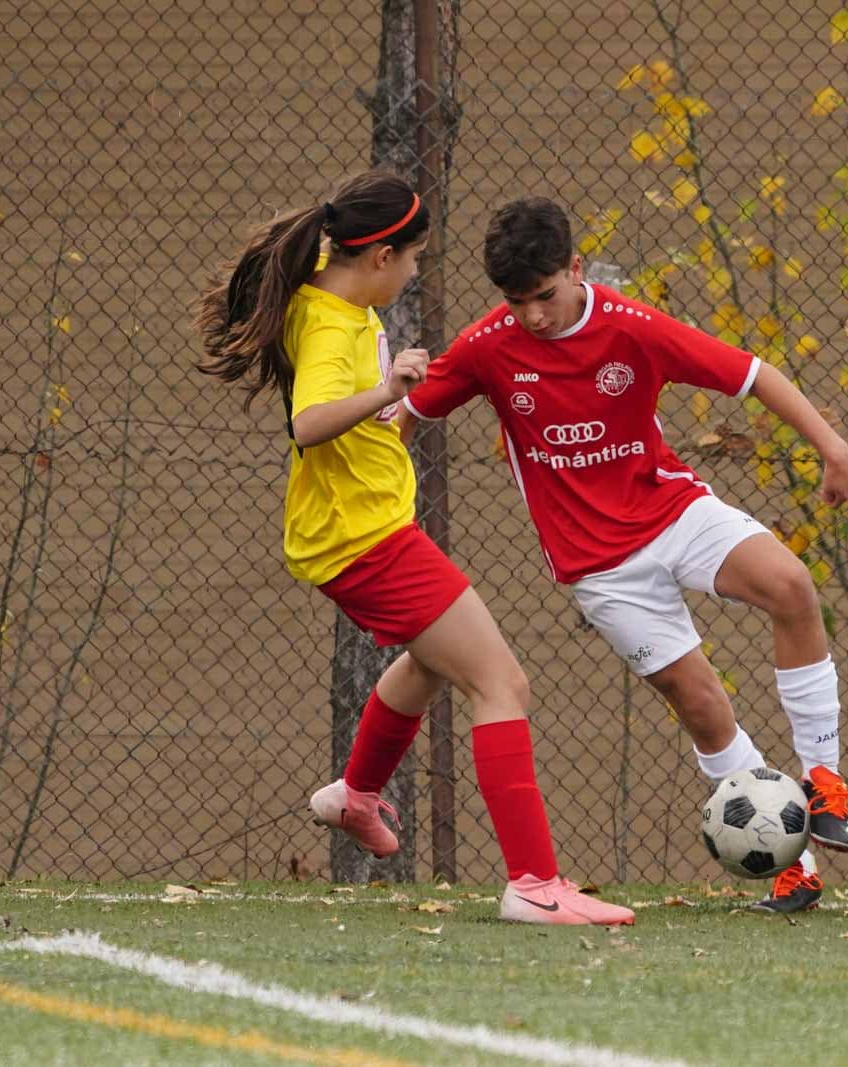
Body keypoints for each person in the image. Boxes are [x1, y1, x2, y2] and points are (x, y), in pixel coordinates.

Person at [399, 196, 848, 914]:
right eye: (516, 301)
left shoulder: (632, 327)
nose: (531, 316)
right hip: (600, 567)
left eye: (545, 296)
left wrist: (831, 446)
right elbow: (406, 414)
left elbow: (753, 374)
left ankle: (826, 781)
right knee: (703, 704)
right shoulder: (487, 346)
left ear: (576, 269)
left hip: (672, 510)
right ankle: (791, 862)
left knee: (791, 585)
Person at [195, 171, 632, 926]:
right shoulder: (334, 323)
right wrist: (388, 390)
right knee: (503, 682)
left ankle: (355, 794)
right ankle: (533, 883)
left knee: (434, 660)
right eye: (413, 259)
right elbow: (310, 422)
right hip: (360, 539)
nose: (415, 272)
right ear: (378, 257)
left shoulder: (326, 300)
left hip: (357, 530)